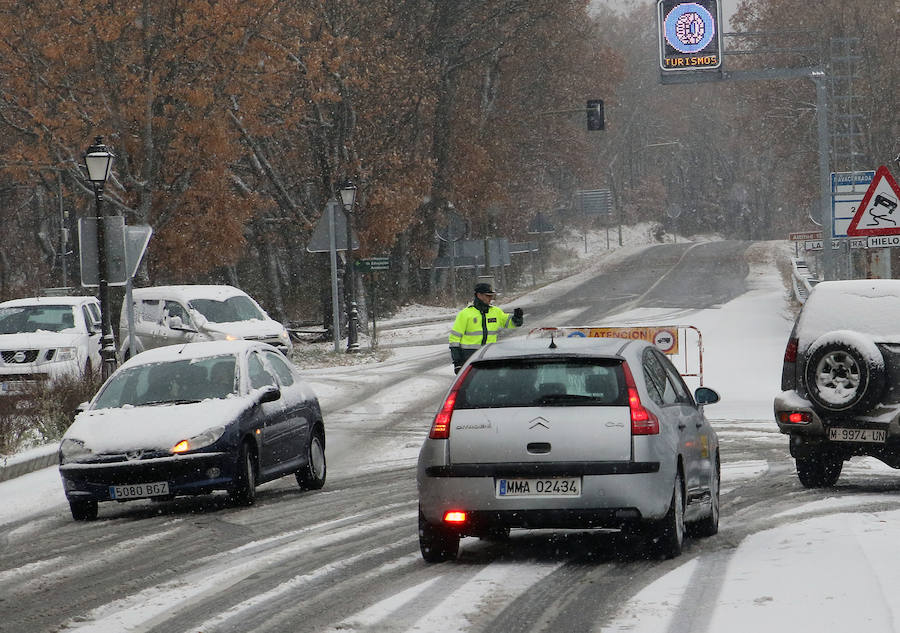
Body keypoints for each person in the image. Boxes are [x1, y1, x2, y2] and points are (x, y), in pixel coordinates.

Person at [448, 282, 523, 373]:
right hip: (469, 356)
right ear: (479, 295)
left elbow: (509, 322)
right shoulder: (465, 314)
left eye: (492, 296)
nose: (490, 299)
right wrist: (458, 362)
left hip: (489, 354)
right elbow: (454, 339)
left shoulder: (495, 312)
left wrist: (517, 318)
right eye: (488, 296)